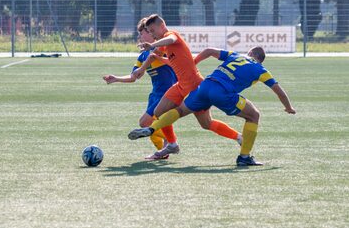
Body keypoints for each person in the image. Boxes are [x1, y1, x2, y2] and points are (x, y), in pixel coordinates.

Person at [129, 46, 296, 166]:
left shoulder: (236, 55)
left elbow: (209, 50)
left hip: (205, 86)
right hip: (222, 93)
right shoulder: (261, 69)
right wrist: (288, 107)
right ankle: (244, 157)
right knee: (254, 115)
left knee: (180, 111)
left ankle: (152, 128)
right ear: (260, 59)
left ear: (250, 53)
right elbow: (279, 91)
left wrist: (193, 63)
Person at [129, 15, 242, 158]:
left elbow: (171, 40)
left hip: (196, 86)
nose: (152, 35)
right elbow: (152, 56)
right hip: (181, 85)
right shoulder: (161, 44)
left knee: (206, 124)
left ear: (161, 26)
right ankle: (172, 144)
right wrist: (142, 69)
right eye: (149, 32)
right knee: (159, 112)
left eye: (152, 31)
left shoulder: (171, 35)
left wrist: (152, 45)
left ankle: (239, 137)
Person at [103, 18, 177, 158]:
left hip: (167, 92)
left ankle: (170, 141)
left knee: (144, 122)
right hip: (155, 94)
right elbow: (133, 77)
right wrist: (116, 78)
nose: (140, 37)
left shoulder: (162, 49)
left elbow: (163, 55)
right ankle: (163, 151)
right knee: (150, 123)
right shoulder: (142, 56)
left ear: (151, 33)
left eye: (143, 33)